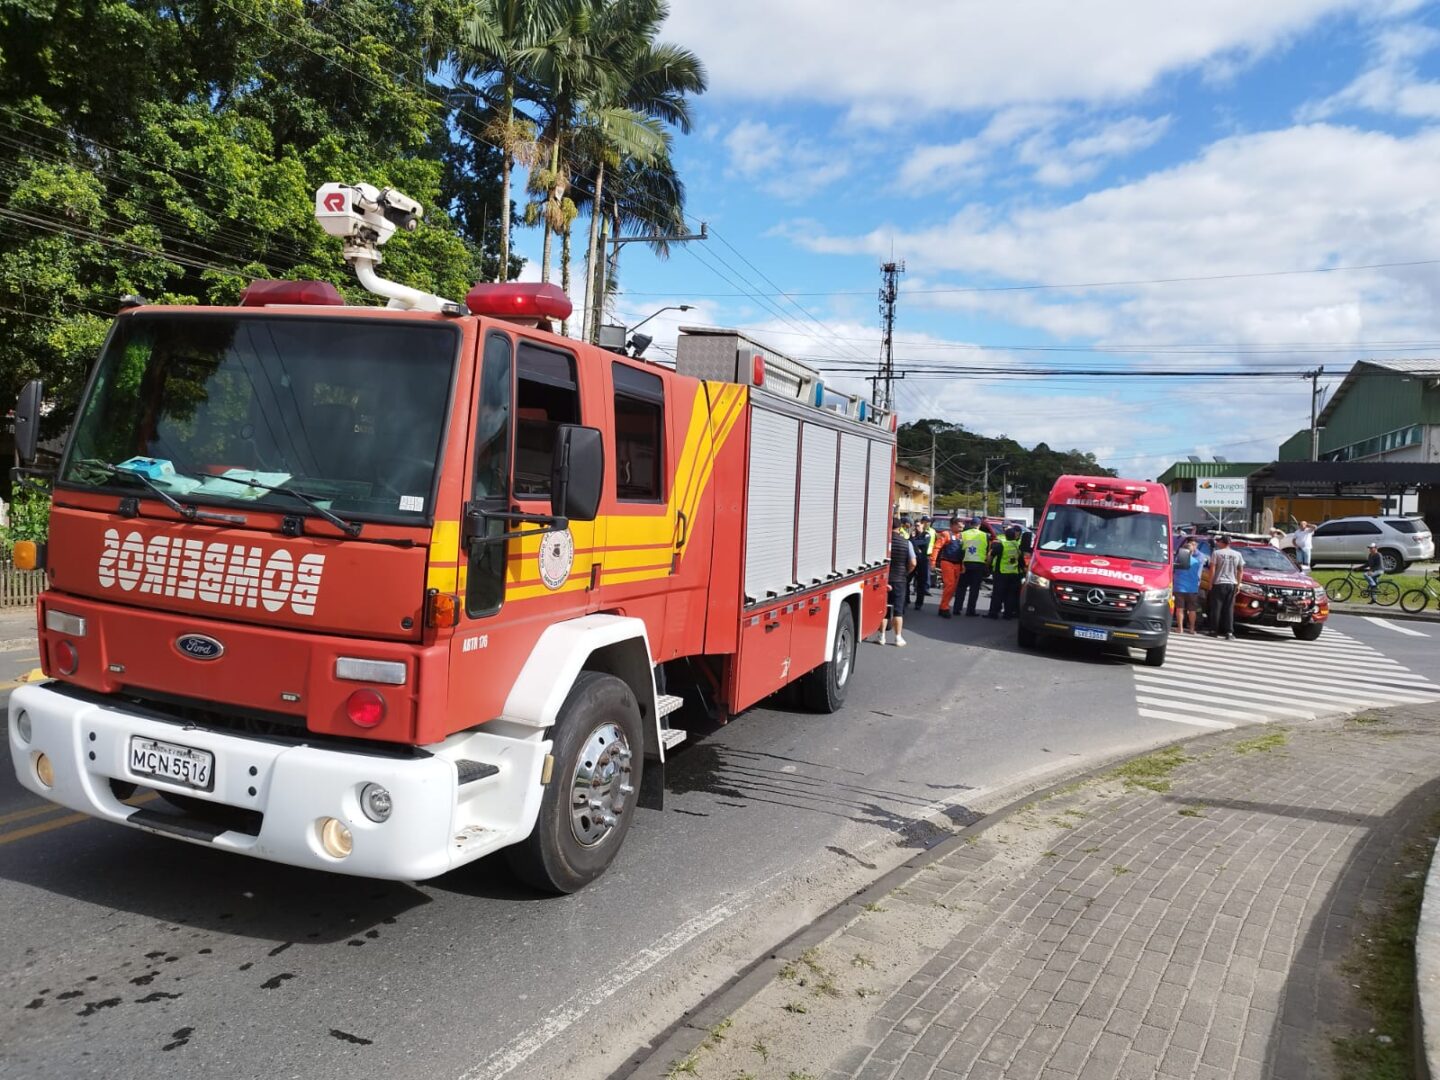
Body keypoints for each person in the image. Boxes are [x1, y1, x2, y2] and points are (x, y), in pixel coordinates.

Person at [881, 516, 916, 646]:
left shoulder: (883, 542)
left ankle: (881, 636)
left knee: (883, 608)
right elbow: (913, 562)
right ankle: (897, 638)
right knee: (898, 610)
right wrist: (906, 572)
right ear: (900, 527)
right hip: (899, 579)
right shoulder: (907, 543)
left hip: (884, 578)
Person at [1207, 534, 1244, 639]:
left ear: (1223, 542)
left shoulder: (1216, 553)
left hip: (1219, 583)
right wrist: (1238, 584)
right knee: (1229, 609)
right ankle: (1229, 632)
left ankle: (1214, 630)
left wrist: (1210, 583)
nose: (1218, 543)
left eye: (1219, 541)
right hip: (1231, 583)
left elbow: (1212, 569)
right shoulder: (1237, 554)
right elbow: (1240, 570)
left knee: (1216, 608)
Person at [985, 525, 1024, 619]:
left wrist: (987, 566)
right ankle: (1008, 614)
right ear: (1015, 536)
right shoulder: (1018, 546)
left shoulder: (1002, 545)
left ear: (1005, 536)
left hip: (1001, 573)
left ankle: (993, 614)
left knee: (997, 594)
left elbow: (991, 556)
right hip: (1014, 573)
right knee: (1010, 595)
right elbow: (1021, 560)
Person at [957, 517, 990, 617]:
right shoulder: (985, 535)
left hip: (966, 563)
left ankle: (957, 608)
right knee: (974, 589)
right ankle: (970, 611)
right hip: (978, 564)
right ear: (979, 525)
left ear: (971, 524)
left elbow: (959, 548)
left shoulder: (963, 534)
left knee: (961, 587)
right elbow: (987, 549)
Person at [1172, 536, 1203, 634]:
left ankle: (1180, 628)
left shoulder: (1178, 560)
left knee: (1179, 609)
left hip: (1179, 587)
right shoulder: (1196, 562)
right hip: (1192, 588)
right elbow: (1198, 574)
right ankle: (1192, 629)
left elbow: (1174, 571)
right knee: (1192, 610)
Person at [936, 516, 965, 618]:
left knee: (953, 587)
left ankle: (943, 606)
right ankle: (944, 607)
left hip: (958, 564)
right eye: (959, 526)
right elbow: (937, 548)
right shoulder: (946, 534)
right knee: (950, 585)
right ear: (952, 525)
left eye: (962, 526)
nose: (962, 527)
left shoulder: (962, 536)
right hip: (947, 562)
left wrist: (963, 565)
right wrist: (932, 562)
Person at [910, 516, 935, 610]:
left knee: (921, 583)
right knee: (907, 580)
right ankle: (906, 600)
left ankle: (918, 603)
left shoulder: (927, 534)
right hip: (912, 560)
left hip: (923, 561)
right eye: (915, 526)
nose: (917, 527)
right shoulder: (912, 535)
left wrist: (914, 542)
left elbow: (922, 543)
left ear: (922, 526)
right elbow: (910, 543)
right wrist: (913, 540)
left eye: (918, 525)